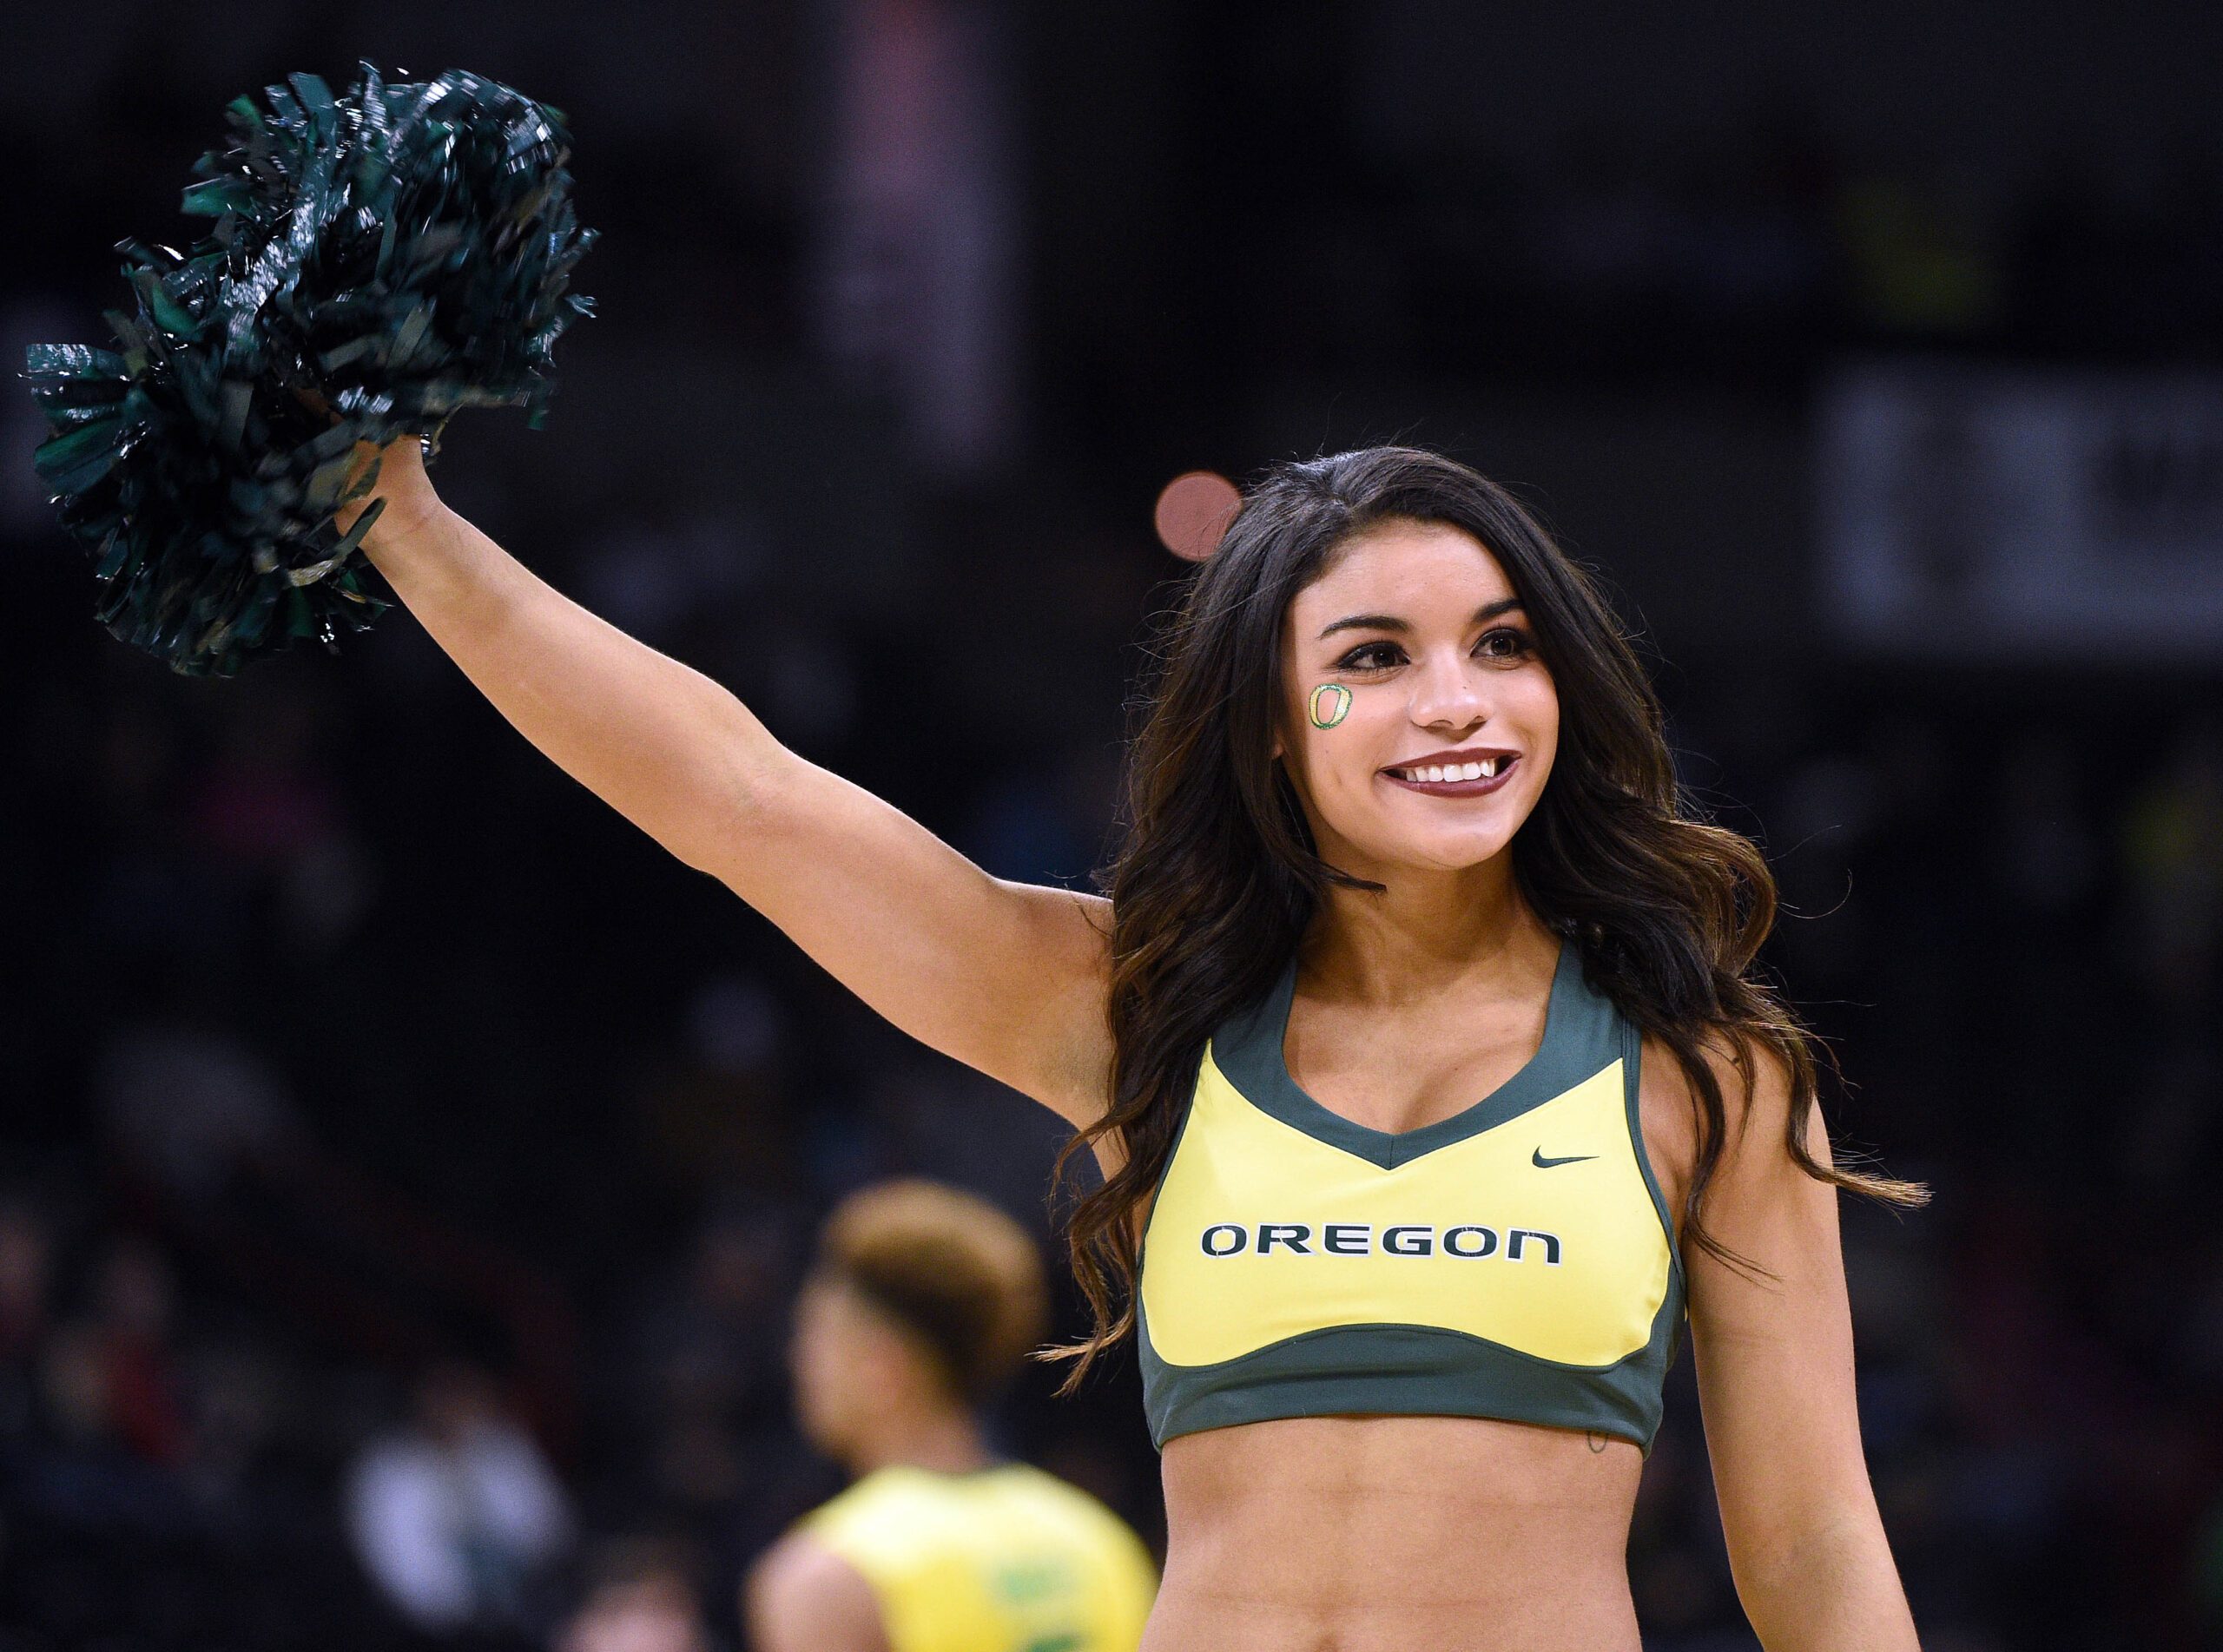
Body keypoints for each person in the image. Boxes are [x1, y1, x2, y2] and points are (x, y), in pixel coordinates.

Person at [339, 439, 1928, 1648]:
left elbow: (1809, 1548)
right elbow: (734, 796)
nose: (1460, 700)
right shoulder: (1137, 1013)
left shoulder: (1700, 1072)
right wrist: (401, 518)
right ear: (1265, 723)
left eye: (1504, 644)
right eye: (1373, 657)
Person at [744, 1178, 1158, 1651]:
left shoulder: (832, 1575)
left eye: (816, 1338)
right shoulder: (1101, 1542)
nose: (797, 1361)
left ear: (880, 1366)